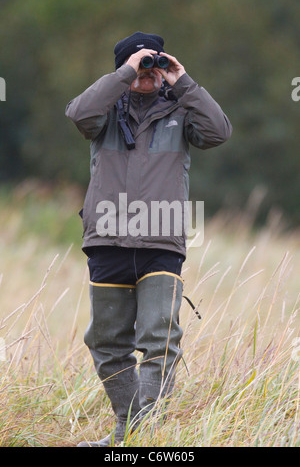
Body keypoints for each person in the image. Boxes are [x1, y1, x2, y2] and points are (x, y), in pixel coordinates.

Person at [65, 31, 232, 447]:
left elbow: (219, 132)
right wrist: (124, 73)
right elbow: (78, 114)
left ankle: (137, 438)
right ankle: (132, 431)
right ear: (123, 69)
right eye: (141, 65)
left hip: (162, 239)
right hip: (107, 238)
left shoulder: (181, 109)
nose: (148, 73)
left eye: (154, 65)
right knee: (106, 341)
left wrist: (184, 80)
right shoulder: (103, 113)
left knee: (160, 338)